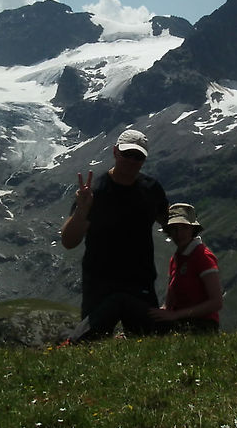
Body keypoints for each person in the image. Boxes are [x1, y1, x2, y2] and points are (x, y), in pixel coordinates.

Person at [61, 129, 169, 342]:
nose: (131, 160)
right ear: (115, 152)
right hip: (100, 282)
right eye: (126, 154)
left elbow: (171, 224)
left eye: (137, 156)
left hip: (140, 280)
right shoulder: (95, 192)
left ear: (144, 159)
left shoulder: (151, 189)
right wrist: (82, 210)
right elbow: (69, 241)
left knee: (149, 342)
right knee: (90, 343)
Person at [149, 203, 223, 333]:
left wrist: (175, 315)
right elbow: (169, 304)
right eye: (174, 229)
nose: (179, 234)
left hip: (203, 324)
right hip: (180, 321)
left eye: (184, 228)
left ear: (192, 229)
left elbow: (216, 302)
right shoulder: (177, 258)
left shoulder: (203, 257)